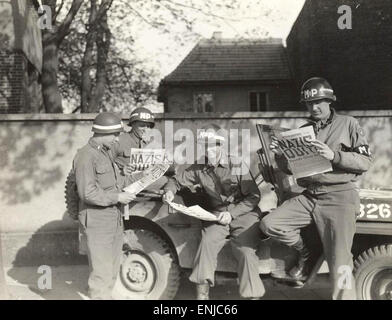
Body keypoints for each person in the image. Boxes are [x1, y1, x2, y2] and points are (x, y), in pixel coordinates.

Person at [260, 77, 373, 300]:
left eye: (320, 102)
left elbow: (365, 162)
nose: (315, 107)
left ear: (330, 101)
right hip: (310, 196)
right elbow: (291, 169)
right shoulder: (304, 130)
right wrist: (280, 154)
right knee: (270, 223)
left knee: (340, 263)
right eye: (310, 103)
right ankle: (306, 251)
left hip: (339, 198)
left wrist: (335, 156)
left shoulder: (348, 124)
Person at [162, 124, 265, 300]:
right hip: (217, 215)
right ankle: (203, 298)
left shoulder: (236, 163)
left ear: (221, 145)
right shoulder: (199, 167)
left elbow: (254, 197)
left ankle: (252, 296)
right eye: (205, 145)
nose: (209, 150)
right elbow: (176, 180)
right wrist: (169, 191)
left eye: (213, 145)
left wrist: (232, 214)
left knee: (246, 252)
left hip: (244, 215)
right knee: (206, 245)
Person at [72, 112, 137, 299]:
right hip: (97, 220)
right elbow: (87, 193)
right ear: (103, 133)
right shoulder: (86, 156)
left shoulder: (105, 153)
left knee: (112, 269)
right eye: (115, 135)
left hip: (112, 218)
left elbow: (114, 182)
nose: (117, 140)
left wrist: (136, 174)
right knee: (100, 273)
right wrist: (117, 197)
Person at [111, 107, 168, 190]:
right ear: (132, 124)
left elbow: (164, 164)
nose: (146, 130)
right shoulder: (118, 141)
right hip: (125, 184)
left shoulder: (153, 142)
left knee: (169, 182)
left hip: (147, 183)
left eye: (148, 126)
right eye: (142, 126)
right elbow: (104, 168)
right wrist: (121, 172)